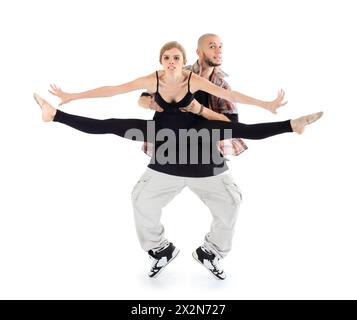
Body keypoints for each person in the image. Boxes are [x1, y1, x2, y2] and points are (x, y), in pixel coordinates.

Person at [33, 40, 323, 280]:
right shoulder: (153, 79)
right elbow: (113, 89)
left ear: (183, 60)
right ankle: (55, 115)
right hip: (164, 141)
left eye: (175, 57)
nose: (171, 61)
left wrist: (266, 104)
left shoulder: (193, 80)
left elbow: (228, 95)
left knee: (238, 140)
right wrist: (72, 96)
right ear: (162, 61)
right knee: (111, 126)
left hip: (200, 140)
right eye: (167, 57)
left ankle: (291, 125)